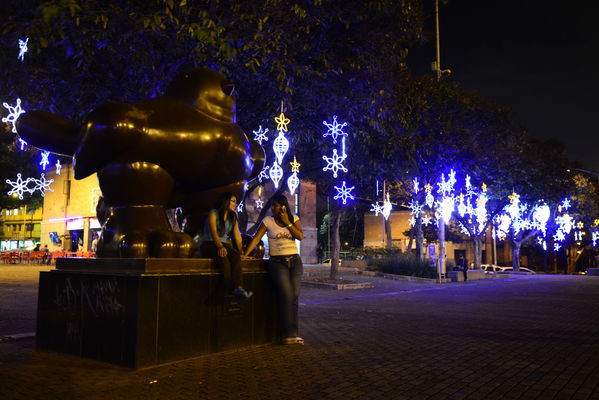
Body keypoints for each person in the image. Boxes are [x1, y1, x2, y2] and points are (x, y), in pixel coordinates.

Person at [243, 194, 304, 345]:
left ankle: (293, 333)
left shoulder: (294, 219)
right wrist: (245, 254)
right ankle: (287, 334)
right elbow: (256, 238)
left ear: (283, 206)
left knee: (294, 295)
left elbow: (300, 236)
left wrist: (287, 222)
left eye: (276, 205)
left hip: (295, 261)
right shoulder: (267, 221)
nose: (273, 208)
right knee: (287, 295)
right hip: (277, 262)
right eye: (272, 205)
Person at [199, 193, 252, 302]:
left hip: (223, 245)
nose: (236, 204)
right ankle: (219, 295)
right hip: (210, 243)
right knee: (225, 263)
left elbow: (237, 236)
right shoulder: (214, 213)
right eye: (233, 201)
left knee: (236, 256)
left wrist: (241, 252)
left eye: (236, 202)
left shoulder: (233, 216)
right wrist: (219, 246)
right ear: (226, 201)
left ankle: (238, 288)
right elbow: (213, 231)